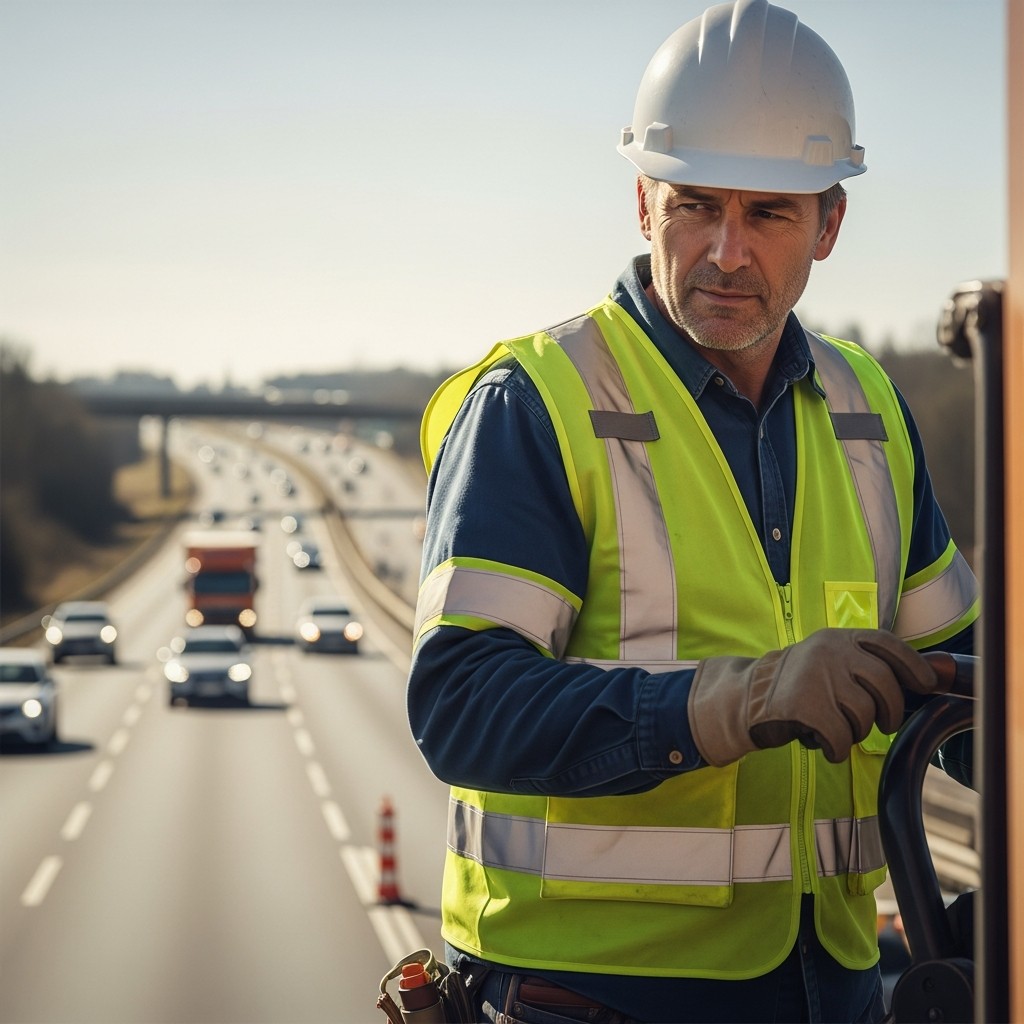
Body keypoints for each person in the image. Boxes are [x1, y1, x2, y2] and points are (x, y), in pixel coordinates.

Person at [406, 1, 978, 1021]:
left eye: (767, 213)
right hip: (585, 996)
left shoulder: (870, 412)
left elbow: (971, 692)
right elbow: (463, 703)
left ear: (828, 224)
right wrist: (735, 702)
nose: (723, 252)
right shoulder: (537, 402)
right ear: (641, 204)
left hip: (836, 986)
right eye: (693, 205)